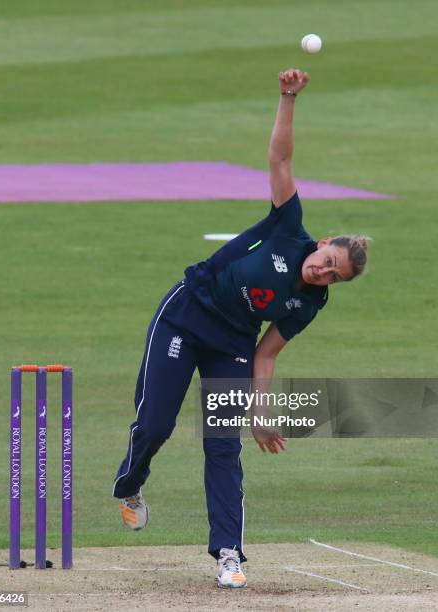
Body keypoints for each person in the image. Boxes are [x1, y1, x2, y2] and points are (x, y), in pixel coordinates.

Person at [113, 68, 370, 588]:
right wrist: (287, 98)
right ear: (321, 243)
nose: (323, 271)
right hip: (187, 313)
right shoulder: (286, 225)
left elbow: (267, 354)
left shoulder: (309, 303)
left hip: (231, 342)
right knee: (156, 426)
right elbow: (280, 159)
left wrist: (261, 412)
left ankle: (229, 553)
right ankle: (131, 485)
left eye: (333, 275)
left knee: (222, 443)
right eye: (327, 260)